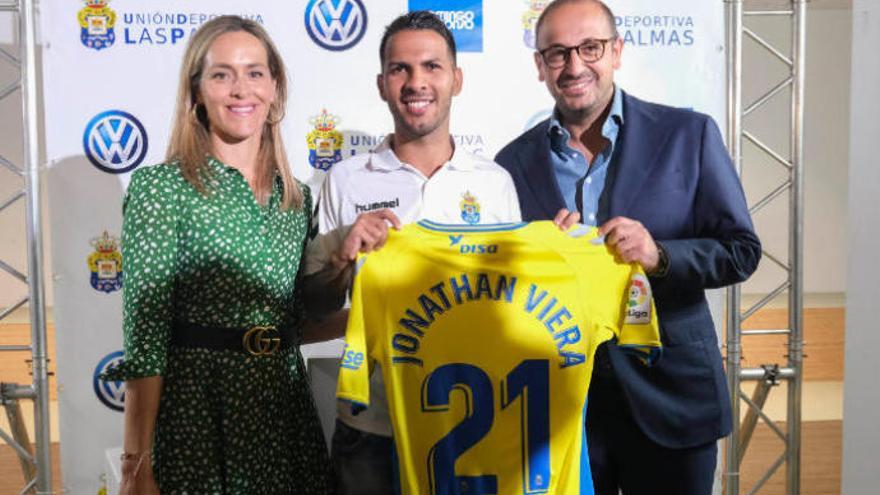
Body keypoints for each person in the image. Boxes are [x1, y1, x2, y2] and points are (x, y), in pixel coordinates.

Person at [302, 11, 578, 495]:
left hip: (471, 420)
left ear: (457, 79)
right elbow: (318, 305)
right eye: (400, 69)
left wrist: (561, 257)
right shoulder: (345, 179)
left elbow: (513, 303)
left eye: (432, 67)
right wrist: (341, 259)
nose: (416, 82)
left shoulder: (493, 182)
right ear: (382, 84)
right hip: (374, 424)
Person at [495, 1, 762, 493]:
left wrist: (660, 255)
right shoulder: (510, 163)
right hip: (560, 412)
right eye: (557, 53)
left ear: (617, 51)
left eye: (590, 48)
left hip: (672, 401)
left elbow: (741, 250)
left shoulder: (688, 134)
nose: (574, 66)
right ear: (539, 66)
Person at [102, 16, 332, 495]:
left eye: (254, 72)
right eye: (221, 74)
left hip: (285, 418)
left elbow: (294, 321)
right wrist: (135, 465)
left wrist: (379, 305)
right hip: (198, 424)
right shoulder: (162, 190)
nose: (239, 89)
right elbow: (145, 337)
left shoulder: (295, 199)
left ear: (275, 89)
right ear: (196, 93)